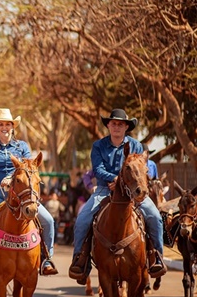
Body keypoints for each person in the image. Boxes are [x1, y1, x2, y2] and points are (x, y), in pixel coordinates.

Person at [68, 108, 166, 282]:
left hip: (132, 191)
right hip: (105, 189)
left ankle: (156, 256)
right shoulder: (98, 146)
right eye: (114, 123)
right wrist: (114, 178)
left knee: (155, 217)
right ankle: (80, 260)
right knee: (83, 218)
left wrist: (122, 181)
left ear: (126, 127)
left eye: (121, 124)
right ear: (108, 125)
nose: (117, 127)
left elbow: (140, 168)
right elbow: (97, 169)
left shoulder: (135, 145)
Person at [0, 108, 58, 275]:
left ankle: (47, 259)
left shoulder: (22, 146)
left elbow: (28, 166)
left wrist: (11, 177)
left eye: (8, 124)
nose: (4, 127)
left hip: (22, 195)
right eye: (1, 124)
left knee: (48, 221)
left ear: (13, 127)